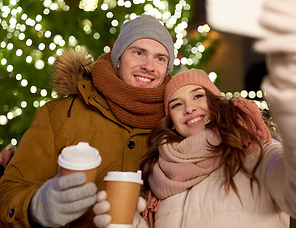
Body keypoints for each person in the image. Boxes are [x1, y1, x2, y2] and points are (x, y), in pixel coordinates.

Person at [93, 0, 296, 228]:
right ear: (170, 119)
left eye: (198, 96)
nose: (189, 108)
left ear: (216, 102)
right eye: (176, 104)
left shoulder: (253, 152)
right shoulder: (161, 174)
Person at [0, 14, 175, 228]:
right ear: (118, 59)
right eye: (138, 53)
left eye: (160, 58)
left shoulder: (175, 125)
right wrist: (35, 207)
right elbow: (9, 191)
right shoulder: (60, 115)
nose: (149, 66)